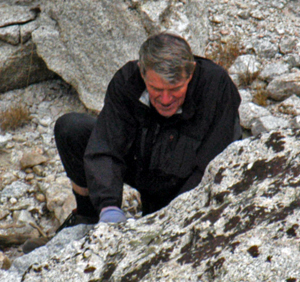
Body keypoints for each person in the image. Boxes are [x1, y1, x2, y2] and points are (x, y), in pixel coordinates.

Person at [52, 32, 242, 230]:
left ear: (191, 73)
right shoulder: (127, 82)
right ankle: (87, 216)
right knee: (71, 129)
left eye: (176, 88)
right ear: (142, 73)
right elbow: (107, 145)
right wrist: (109, 206)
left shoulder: (216, 87)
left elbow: (214, 163)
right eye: (156, 89)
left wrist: (175, 213)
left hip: (187, 181)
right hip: (145, 166)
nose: (166, 99)